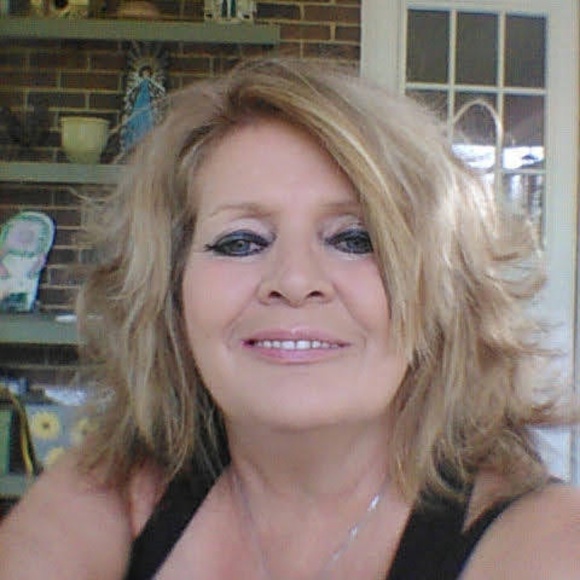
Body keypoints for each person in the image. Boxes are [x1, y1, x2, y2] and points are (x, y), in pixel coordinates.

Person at [1, 57, 579, 579]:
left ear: (443, 289)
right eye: (241, 242)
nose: (296, 281)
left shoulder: (545, 544)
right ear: (171, 295)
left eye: (355, 238)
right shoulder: (107, 500)